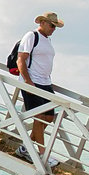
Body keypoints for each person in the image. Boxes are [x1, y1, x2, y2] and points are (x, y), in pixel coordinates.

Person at [15, 12, 64, 157]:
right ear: (42, 23)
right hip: (33, 81)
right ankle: (42, 153)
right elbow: (20, 60)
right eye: (51, 25)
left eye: (55, 26)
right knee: (39, 116)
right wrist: (28, 82)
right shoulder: (31, 36)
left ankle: (26, 147)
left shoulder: (47, 40)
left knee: (49, 117)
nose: (53, 29)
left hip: (45, 82)